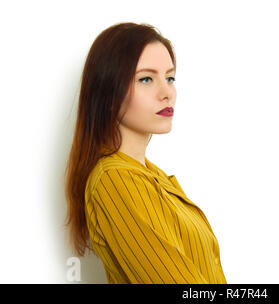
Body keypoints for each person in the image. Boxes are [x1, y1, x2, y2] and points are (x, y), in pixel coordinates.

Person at [64, 22, 227, 284]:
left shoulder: (150, 175)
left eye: (170, 78)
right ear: (108, 93)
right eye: (146, 79)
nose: (167, 93)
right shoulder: (115, 181)